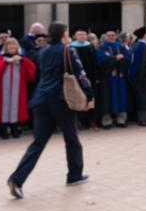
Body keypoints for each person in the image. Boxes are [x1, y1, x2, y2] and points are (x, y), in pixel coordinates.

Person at [7, 21, 93, 199]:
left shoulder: (43, 52)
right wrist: (90, 95)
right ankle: (74, 175)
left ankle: (17, 179)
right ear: (63, 34)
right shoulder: (68, 50)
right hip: (61, 99)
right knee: (72, 138)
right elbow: (80, 74)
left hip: (41, 99)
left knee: (38, 143)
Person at [0, 38, 36, 139]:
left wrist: (22, 61)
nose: (12, 48)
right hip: (2, 89)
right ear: (6, 47)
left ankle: (15, 128)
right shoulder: (0, 58)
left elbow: (32, 71)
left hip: (19, 88)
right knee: (3, 107)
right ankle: (4, 130)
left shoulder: (22, 58)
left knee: (17, 106)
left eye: (14, 46)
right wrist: (7, 62)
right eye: (10, 46)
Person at [97, 30, 129, 128]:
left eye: (113, 35)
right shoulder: (102, 47)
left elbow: (127, 58)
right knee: (107, 99)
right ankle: (107, 121)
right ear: (106, 37)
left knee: (121, 98)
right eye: (109, 35)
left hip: (120, 76)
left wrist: (118, 66)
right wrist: (115, 59)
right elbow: (101, 61)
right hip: (108, 78)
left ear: (116, 36)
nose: (111, 37)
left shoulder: (121, 46)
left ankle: (121, 119)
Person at [71, 28, 101, 130]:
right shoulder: (71, 47)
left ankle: (91, 120)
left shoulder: (90, 46)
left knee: (91, 98)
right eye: (79, 35)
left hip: (90, 76)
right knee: (78, 97)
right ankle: (79, 120)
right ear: (75, 36)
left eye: (83, 35)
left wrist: (96, 76)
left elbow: (95, 62)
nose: (82, 37)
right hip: (77, 77)